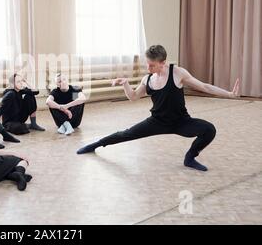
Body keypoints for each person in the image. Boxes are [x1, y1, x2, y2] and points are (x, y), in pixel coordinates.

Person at [77, 45, 240, 172]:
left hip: (181, 121)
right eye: (147, 64)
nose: (148, 68)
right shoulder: (148, 79)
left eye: (152, 65)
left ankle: (190, 158)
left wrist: (229, 94)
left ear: (163, 63)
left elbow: (204, 87)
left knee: (209, 129)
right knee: (126, 134)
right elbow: (133, 97)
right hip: (157, 121)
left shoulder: (177, 73)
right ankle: (96, 145)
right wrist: (125, 84)